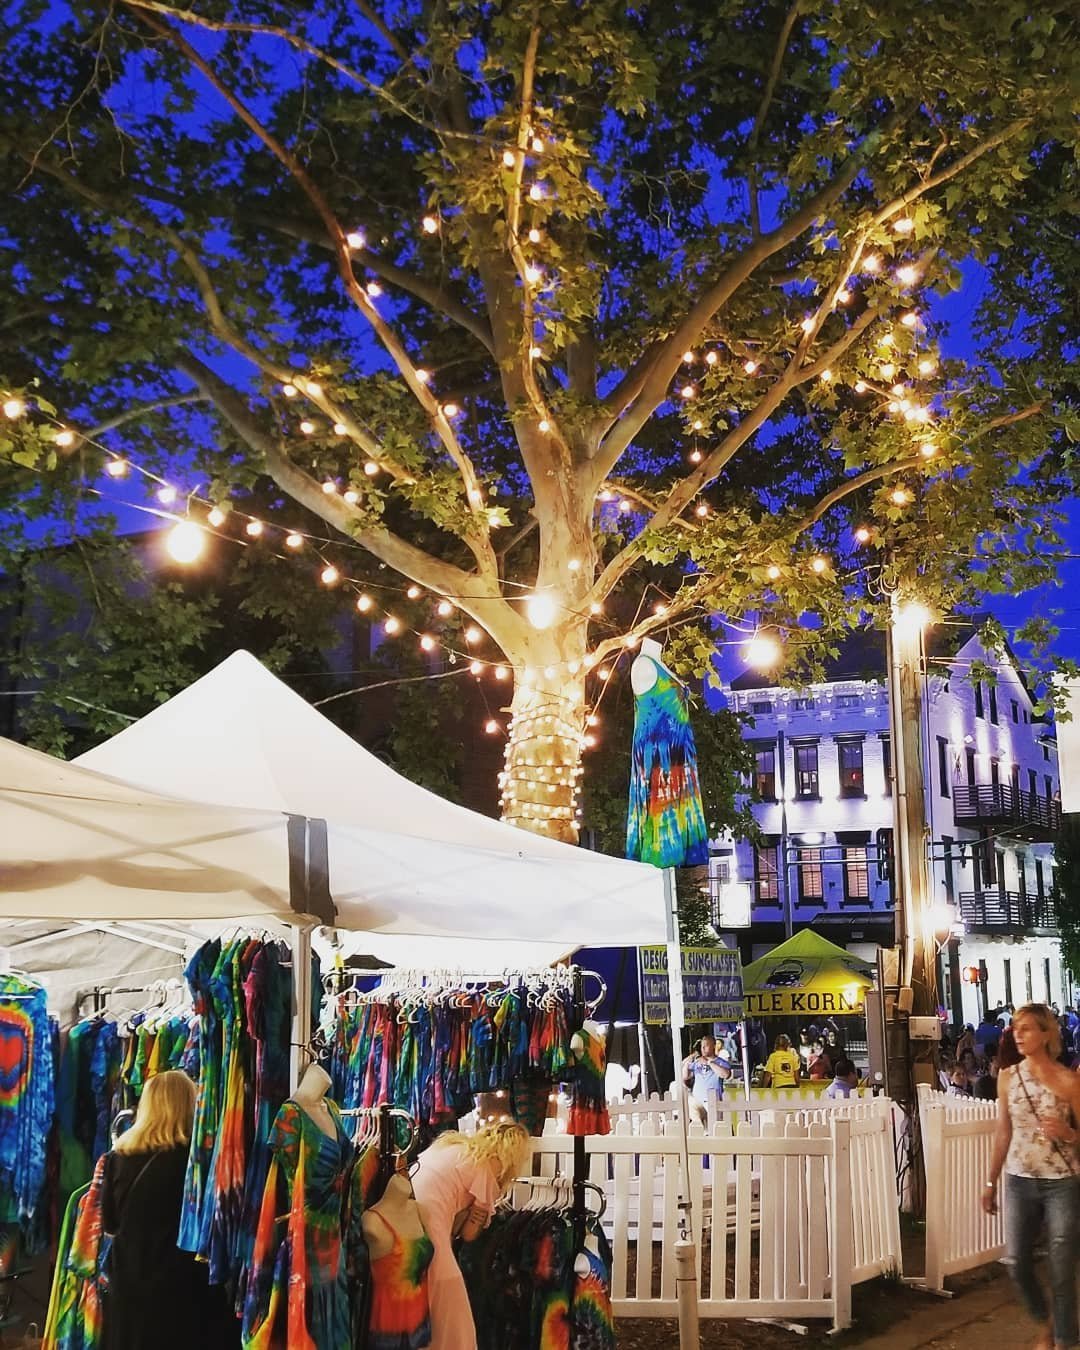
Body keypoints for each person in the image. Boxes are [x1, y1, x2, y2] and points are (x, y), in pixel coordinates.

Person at [102, 1070, 238, 1350]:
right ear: (190, 1105)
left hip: (129, 1286)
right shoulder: (198, 1161)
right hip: (184, 1289)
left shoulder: (118, 1157)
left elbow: (110, 1224)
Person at [981, 1003, 1080, 1350]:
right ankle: (1047, 1321)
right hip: (1020, 1179)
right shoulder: (1007, 1077)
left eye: (1026, 1028)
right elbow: (1002, 1132)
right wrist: (990, 1181)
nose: (1017, 1034)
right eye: (1016, 1028)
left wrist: (1069, 1134)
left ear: (1046, 1034)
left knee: (1061, 1266)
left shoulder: (1070, 1081)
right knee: (1018, 1262)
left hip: (1062, 1182)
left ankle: (1064, 1340)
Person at [411, 1120, 531, 1350]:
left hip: (407, 1217)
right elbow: (468, 1234)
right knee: (454, 1311)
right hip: (430, 1227)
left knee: (423, 1303)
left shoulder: (452, 1146)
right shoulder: (485, 1168)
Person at [681, 1035, 731, 1123]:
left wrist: (709, 1063)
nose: (703, 1048)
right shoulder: (697, 1062)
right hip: (697, 1100)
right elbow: (686, 1076)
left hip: (713, 1101)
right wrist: (690, 1060)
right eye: (701, 1046)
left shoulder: (721, 1062)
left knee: (715, 1126)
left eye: (706, 1045)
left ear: (714, 1046)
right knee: (692, 1111)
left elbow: (725, 1075)